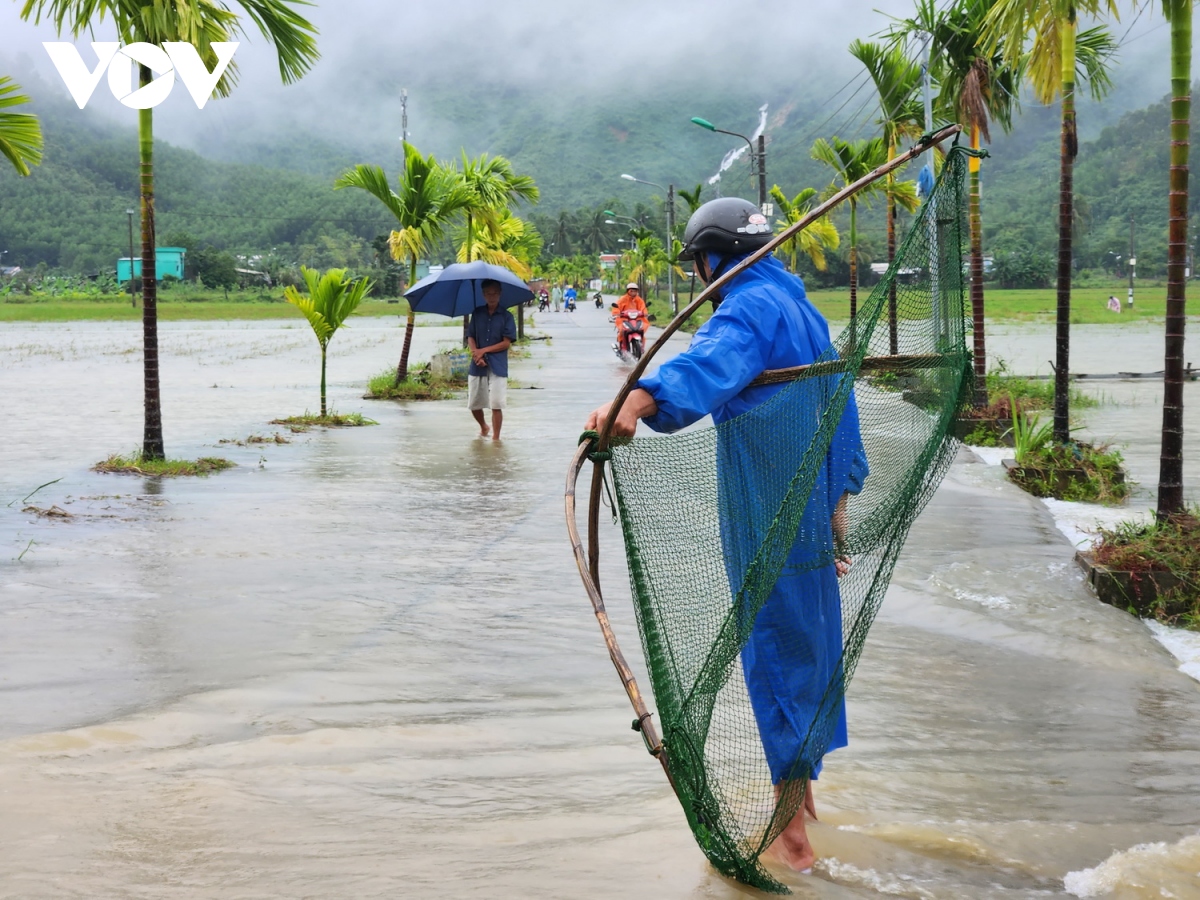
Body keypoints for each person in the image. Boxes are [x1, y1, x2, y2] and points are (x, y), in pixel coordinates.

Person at [584, 197, 869, 873]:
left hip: (768, 508)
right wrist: (836, 506)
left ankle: (790, 842)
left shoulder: (751, 305)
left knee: (774, 657)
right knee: (806, 655)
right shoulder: (801, 308)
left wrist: (638, 400)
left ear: (714, 259)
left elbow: (710, 362)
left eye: (700, 265)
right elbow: (842, 409)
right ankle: (803, 814)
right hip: (805, 512)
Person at [467, 279, 516, 440]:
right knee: (474, 403)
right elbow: (471, 336)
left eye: (495, 293)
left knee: (496, 404)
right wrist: (476, 354)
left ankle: (496, 438)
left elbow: (506, 343)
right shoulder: (477, 313)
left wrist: (483, 351)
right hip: (477, 365)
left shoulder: (507, 316)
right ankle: (483, 427)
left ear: (500, 294)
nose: (492, 296)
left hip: (498, 365)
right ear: (483, 295)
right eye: (488, 293)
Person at [614, 282, 650, 351]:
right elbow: (617, 308)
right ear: (628, 291)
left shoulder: (639, 300)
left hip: (636, 319)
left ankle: (641, 347)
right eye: (631, 291)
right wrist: (617, 314)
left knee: (641, 330)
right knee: (622, 331)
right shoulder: (622, 299)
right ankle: (621, 347)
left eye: (635, 291)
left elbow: (643, 308)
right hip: (624, 319)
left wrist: (645, 313)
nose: (633, 292)